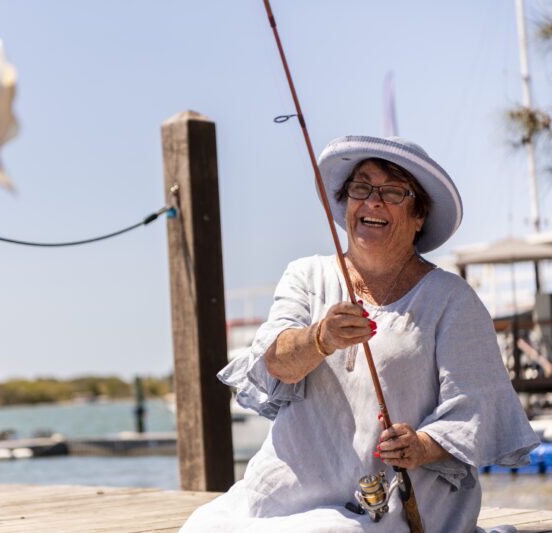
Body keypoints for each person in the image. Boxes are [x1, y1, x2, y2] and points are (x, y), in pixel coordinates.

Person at [180, 136, 539, 533]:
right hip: (279, 496)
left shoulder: (452, 298)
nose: (372, 201)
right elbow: (275, 362)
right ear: (347, 202)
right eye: (361, 188)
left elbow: (477, 410)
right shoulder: (307, 275)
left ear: (419, 216)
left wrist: (421, 445)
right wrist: (320, 338)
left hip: (395, 507)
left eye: (392, 191)